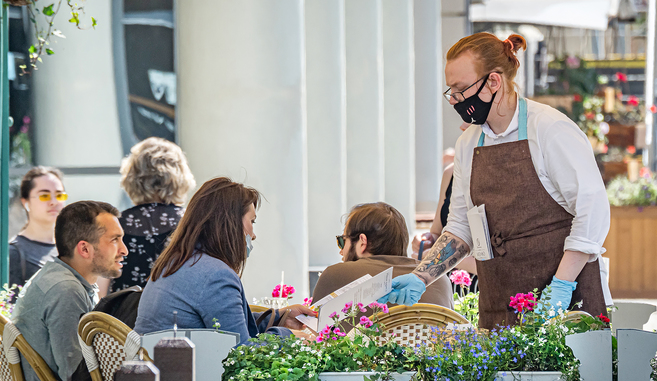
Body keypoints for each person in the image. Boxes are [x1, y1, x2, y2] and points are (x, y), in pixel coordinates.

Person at [381, 33, 610, 329]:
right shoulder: (468, 144)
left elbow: (593, 212)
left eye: (461, 90)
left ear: (493, 82)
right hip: (498, 298)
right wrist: (421, 275)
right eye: (450, 91)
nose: (455, 100)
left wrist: (562, 286)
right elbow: (462, 226)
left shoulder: (550, 129)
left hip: (566, 299)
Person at [134, 177, 315, 344]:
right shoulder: (215, 275)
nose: (253, 234)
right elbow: (241, 353)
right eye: (252, 222)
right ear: (230, 223)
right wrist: (289, 337)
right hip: (189, 376)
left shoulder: (174, 263)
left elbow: (226, 328)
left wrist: (279, 317)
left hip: (160, 372)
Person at [12, 201, 127, 381]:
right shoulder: (66, 290)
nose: (124, 250)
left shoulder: (62, 279)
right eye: (114, 240)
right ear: (84, 249)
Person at [312, 202, 453, 311]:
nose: (341, 252)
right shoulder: (438, 279)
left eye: (342, 241)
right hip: (427, 349)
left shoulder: (336, 274)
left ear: (362, 242)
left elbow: (312, 335)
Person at [102, 137, 196, 295]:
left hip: (122, 317)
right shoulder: (193, 223)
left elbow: (100, 290)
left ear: (132, 177)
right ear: (179, 176)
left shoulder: (113, 225)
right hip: (176, 316)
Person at [8, 166, 67, 289]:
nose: (54, 201)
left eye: (59, 195)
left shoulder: (73, 249)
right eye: (44, 196)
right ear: (26, 202)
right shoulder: (14, 253)